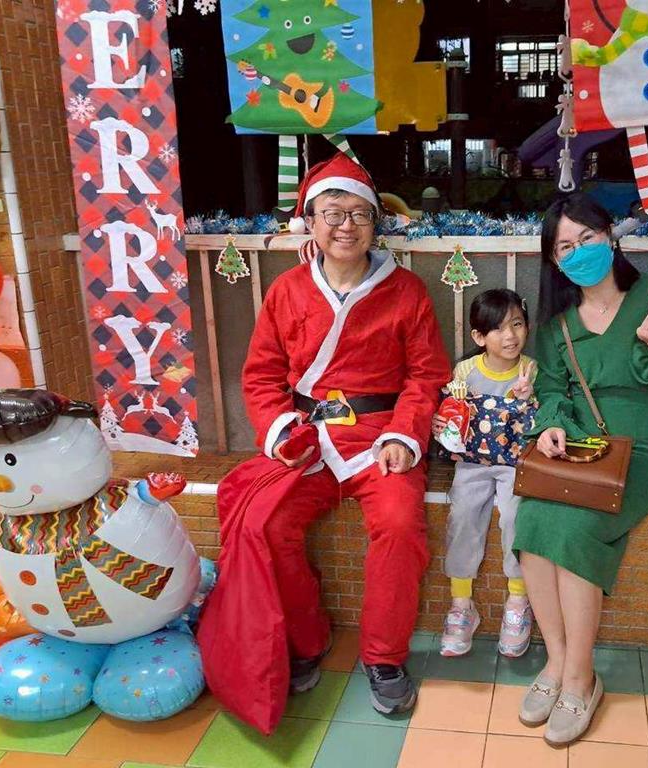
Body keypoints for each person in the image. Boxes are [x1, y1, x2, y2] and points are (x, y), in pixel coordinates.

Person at [197, 153, 450, 734]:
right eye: (333, 213)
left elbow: (426, 376)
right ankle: (307, 639)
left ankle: (383, 657)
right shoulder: (286, 290)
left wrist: (404, 435)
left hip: (379, 436)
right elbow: (262, 376)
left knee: (400, 524)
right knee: (267, 524)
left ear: (375, 223)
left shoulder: (406, 291)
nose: (346, 225)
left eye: (359, 213)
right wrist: (279, 429)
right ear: (310, 222)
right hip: (306, 437)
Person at [514, 193, 648, 747]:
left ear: (610, 237)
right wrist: (551, 425)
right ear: (554, 262)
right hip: (580, 450)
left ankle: (582, 679)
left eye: (588, 238)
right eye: (564, 247)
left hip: (642, 452)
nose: (579, 252)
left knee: (575, 530)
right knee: (531, 524)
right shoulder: (556, 326)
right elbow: (553, 391)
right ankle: (556, 663)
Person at [432, 289, 538, 659]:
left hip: (516, 465)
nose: (510, 336)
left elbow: (541, 419)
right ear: (479, 337)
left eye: (517, 324)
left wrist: (528, 397)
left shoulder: (531, 370)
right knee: (462, 516)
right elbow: (449, 414)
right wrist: (441, 419)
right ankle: (461, 606)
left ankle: (518, 602)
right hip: (472, 463)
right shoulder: (465, 372)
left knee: (515, 516)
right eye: (498, 328)